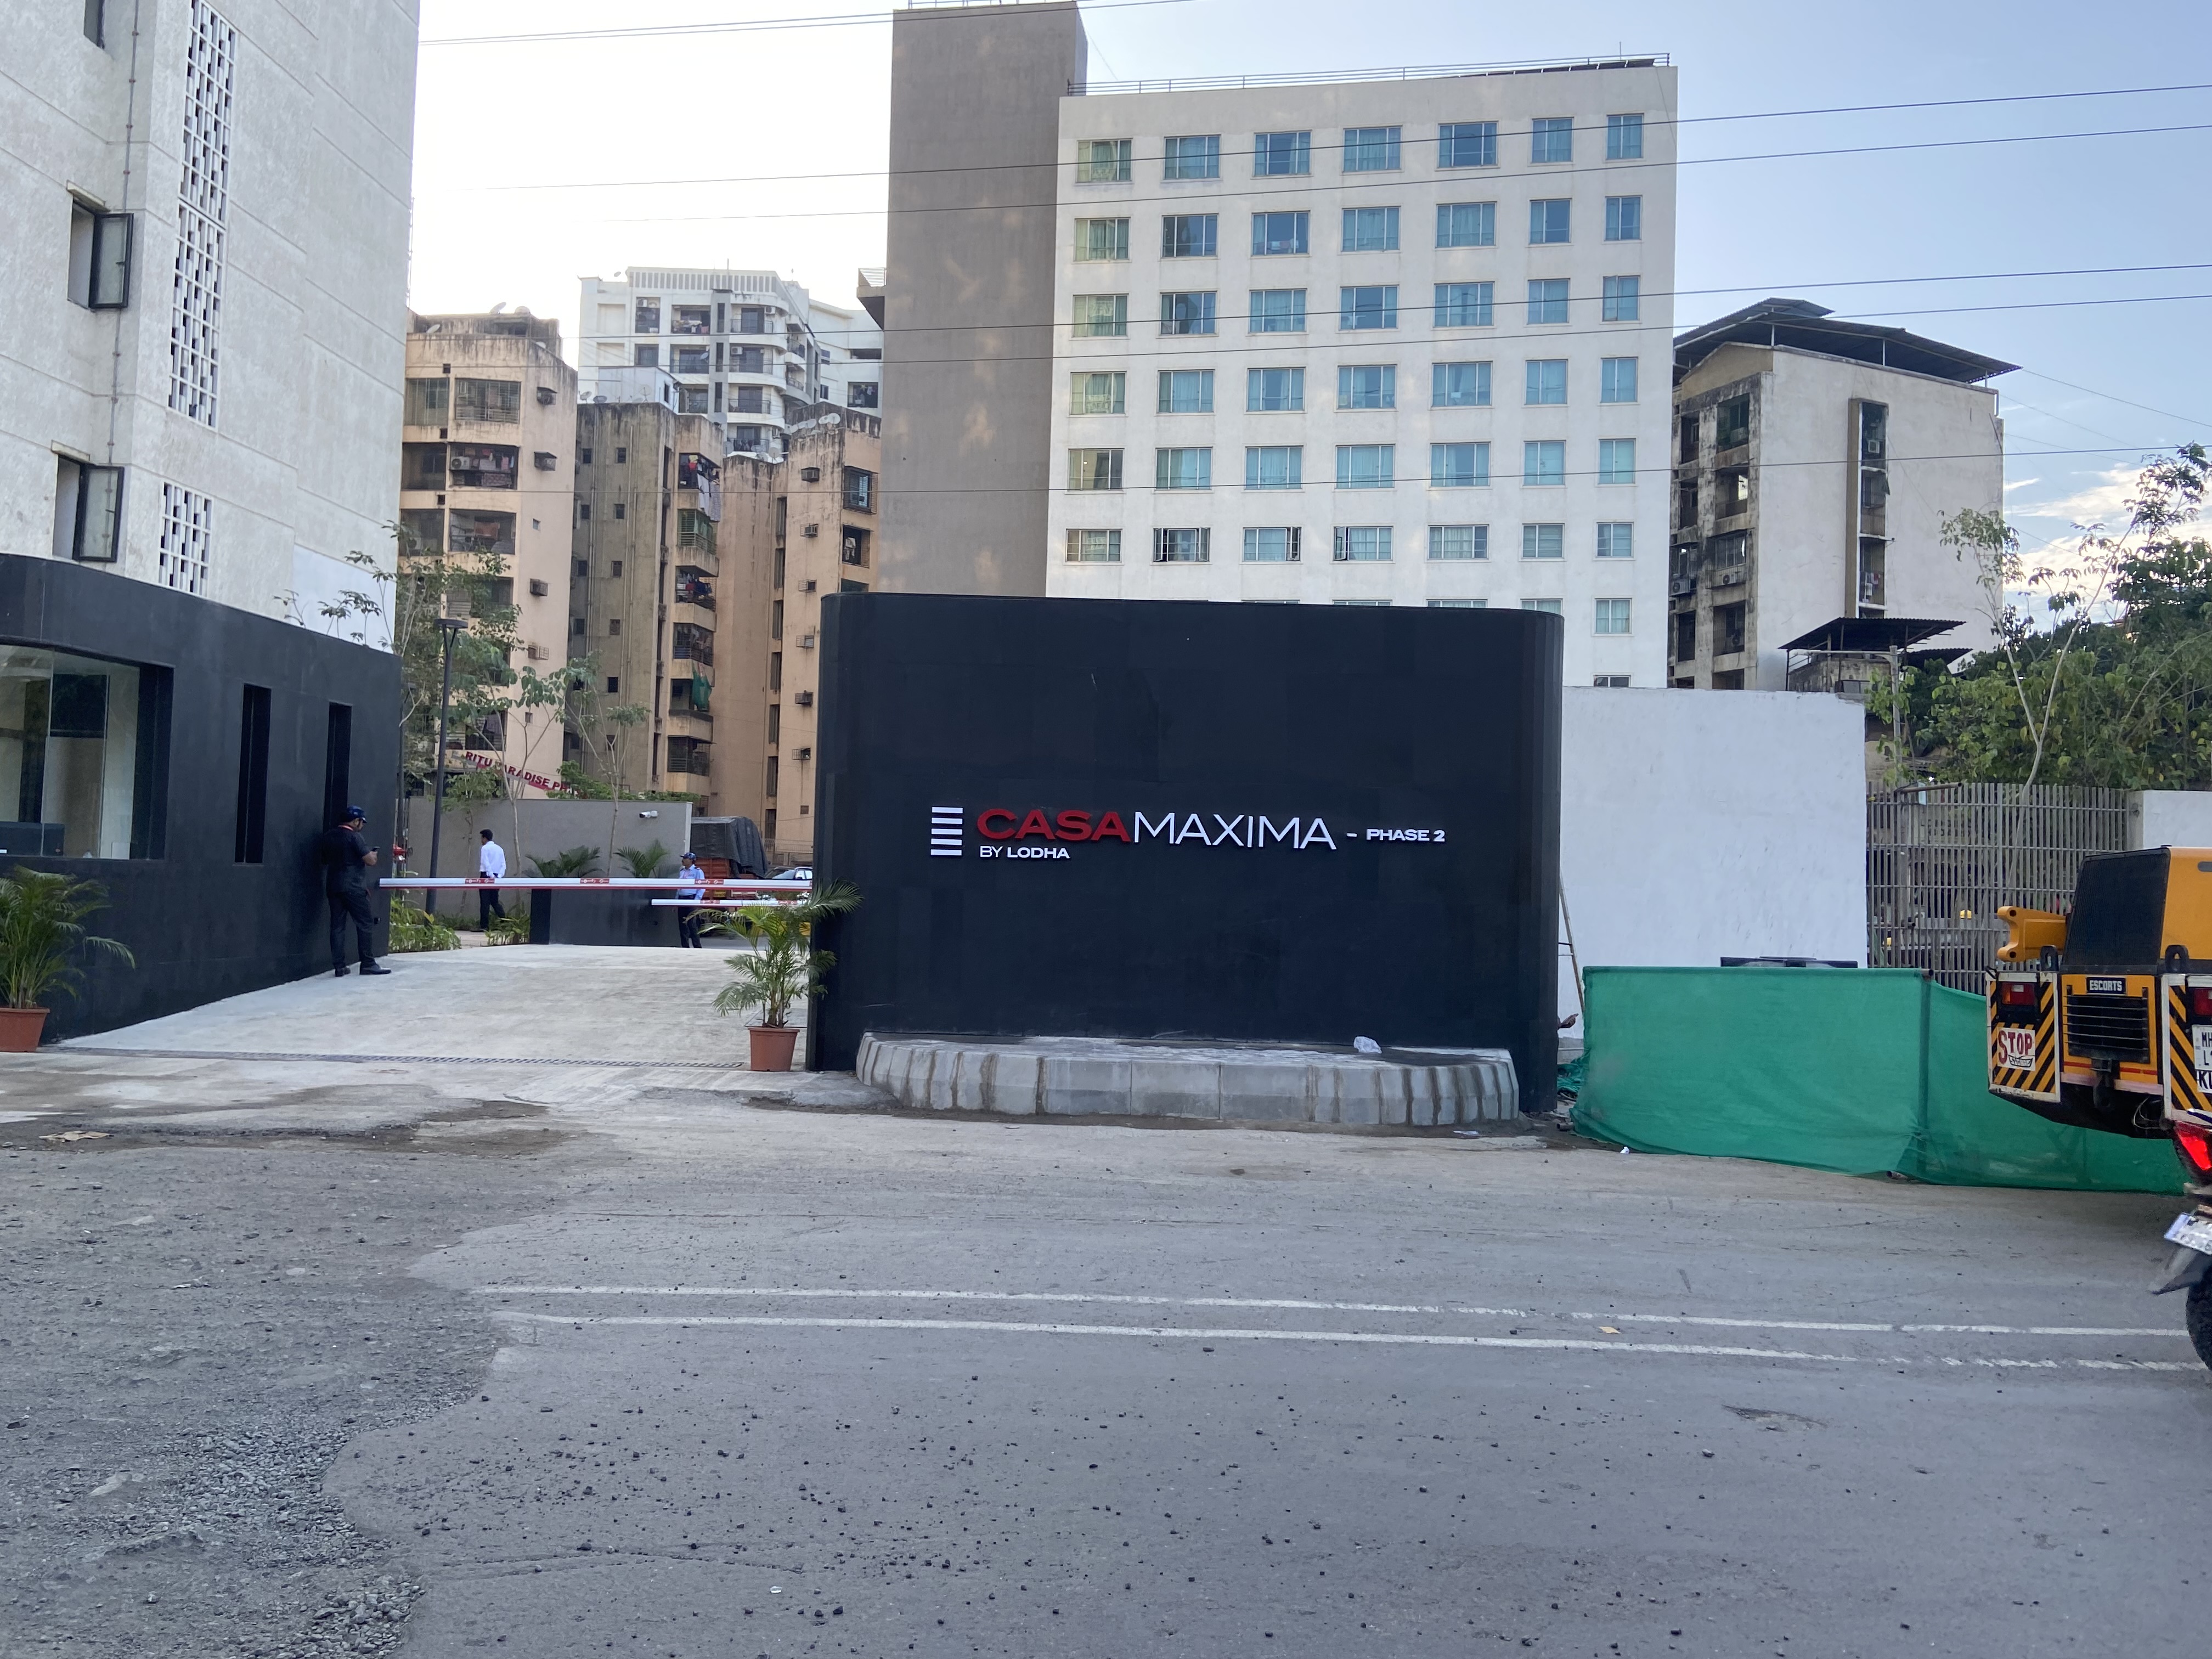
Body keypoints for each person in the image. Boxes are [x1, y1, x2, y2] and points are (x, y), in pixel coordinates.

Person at [318, 806, 390, 978]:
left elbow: (324, 859)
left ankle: (339, 967)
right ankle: (368, 964)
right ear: (356, 821)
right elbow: (370, 861)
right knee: (365, 923)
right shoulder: (354, 837)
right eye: (361, 822)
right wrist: (373, 854)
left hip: (333, 885)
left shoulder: (328, 837)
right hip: (354, 887)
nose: (362, 826)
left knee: (337, 926)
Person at [477, 829, 507, 930]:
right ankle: (505, 921)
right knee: (494, 901)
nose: (481, 840)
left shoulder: (485, 848)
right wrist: (499, 876)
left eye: (482, 838)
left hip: (486, 875)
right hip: (497, 876)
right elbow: (503, 864)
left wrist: (490, 875)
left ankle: (484, 926)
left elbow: (486, 862)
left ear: (485, 838)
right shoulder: (500, 849)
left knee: (485, 902)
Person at [675, 853, 707, 949]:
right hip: (681, 898)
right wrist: (676, 901)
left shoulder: (697, 871)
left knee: (692, 924)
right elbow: (679, 888)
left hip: (691, 898)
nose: (683, 860)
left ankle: (697, 947)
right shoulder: (682, 871)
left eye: (686, 858)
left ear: (691, 860)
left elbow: (702, 887)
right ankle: (685, 947)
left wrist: (697, 900)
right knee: (682, 924)